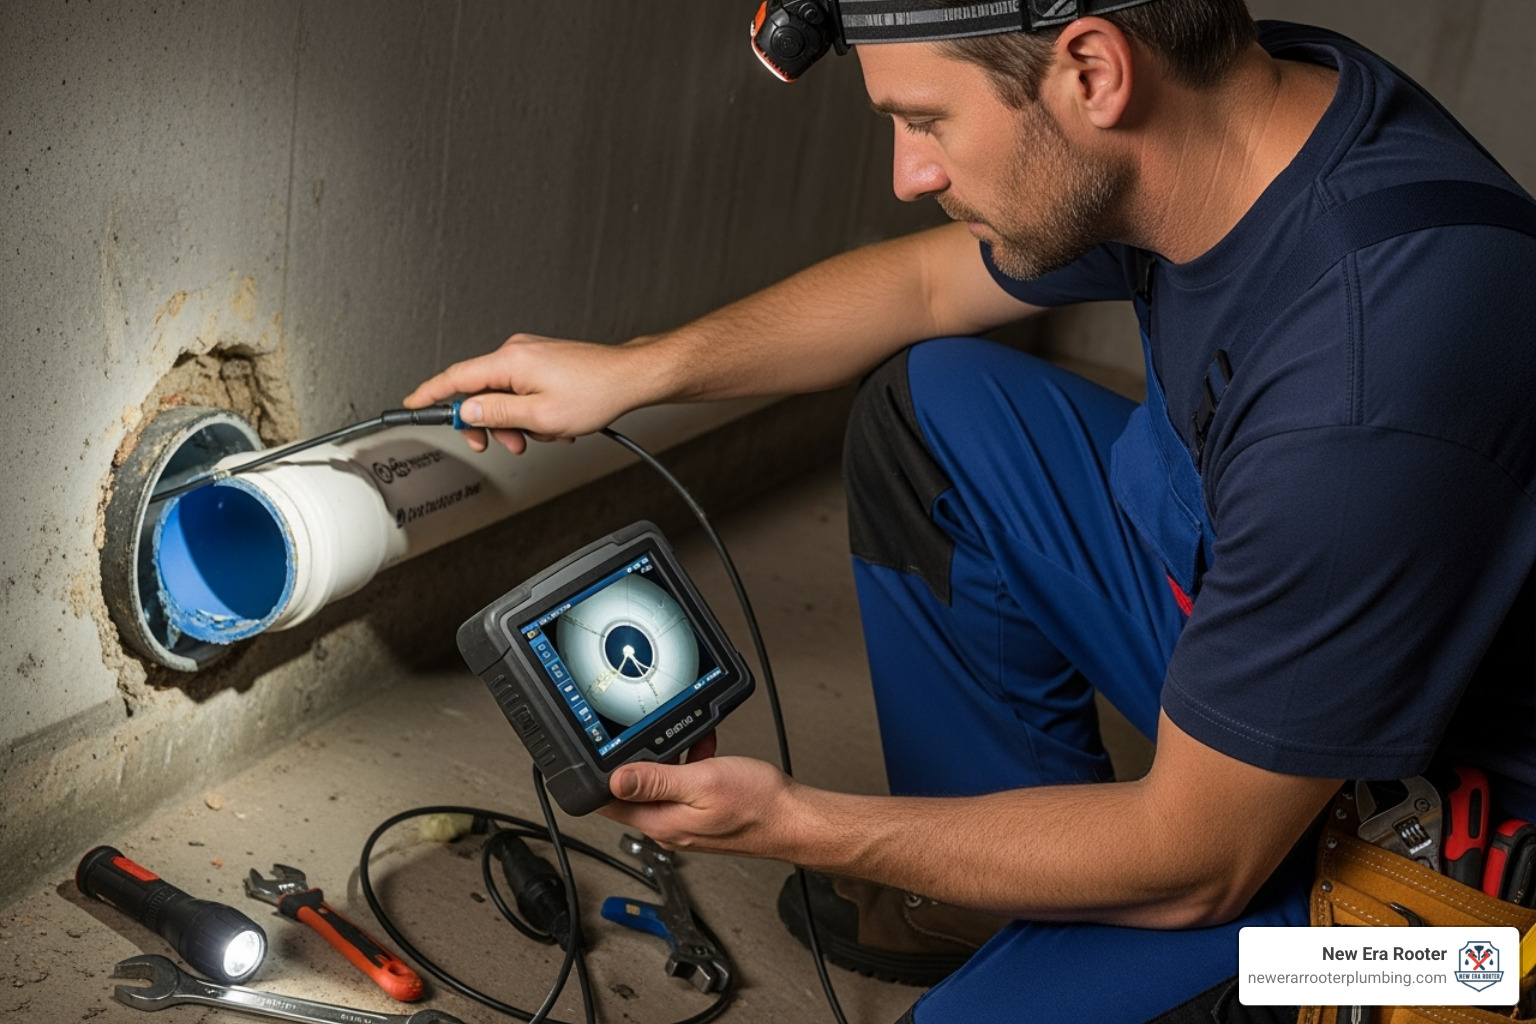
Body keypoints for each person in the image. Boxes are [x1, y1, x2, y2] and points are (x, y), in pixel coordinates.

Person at [407, 1, 1536, 1020]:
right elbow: (927, 284)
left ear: (1093, 71)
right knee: (939, 407)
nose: (908, 172)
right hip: (1293, 648)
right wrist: (636, 371)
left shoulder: (1365, 383)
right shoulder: (1247, 120)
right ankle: (999, 894)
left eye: (926, 120)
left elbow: (1200, 863)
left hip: (1443, 878)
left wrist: (799, 823)